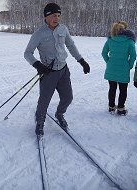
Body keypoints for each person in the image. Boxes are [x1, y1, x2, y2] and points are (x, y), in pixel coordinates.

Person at [24, 3, 90, 135]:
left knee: (68, 98)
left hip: (63, 70)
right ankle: (40, 121)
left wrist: (81, 60)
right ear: (46, 16)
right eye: (54, 15)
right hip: (48, 73)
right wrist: (37, 65)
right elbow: (27, 53)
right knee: (44, 101)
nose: (57, 18)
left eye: (59, 15)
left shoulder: (63, 29)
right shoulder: (39, 34)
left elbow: (71, 45)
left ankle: (60, 114)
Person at [101, 21, 136, 115]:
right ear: (125, 29)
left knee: (112, 88)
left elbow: (104, 53)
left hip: (111, 67)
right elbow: (133, 55)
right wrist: (130, 65)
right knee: (123, 90)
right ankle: (121, 109)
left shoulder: (110, 40)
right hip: (124, 68)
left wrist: (108, 61)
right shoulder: (129, 41)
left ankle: (111, 107)